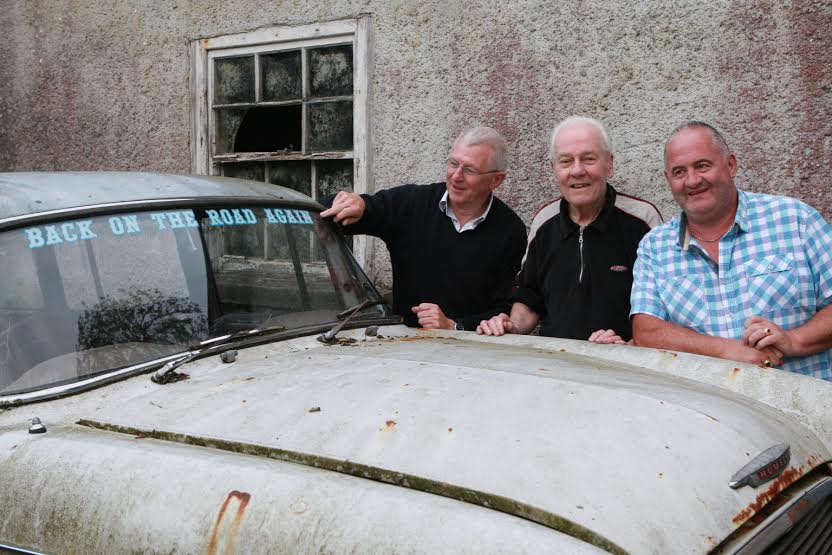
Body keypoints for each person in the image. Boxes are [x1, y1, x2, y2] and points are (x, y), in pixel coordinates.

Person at [630, 121, 832, 380]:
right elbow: (647, 332)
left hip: (807, 409)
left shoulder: (795, 219)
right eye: (679, 172)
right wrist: (727, 351)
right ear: (667, 179)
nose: (692, 180)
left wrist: (795, 340)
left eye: (702, 165)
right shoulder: (654, 247)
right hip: (714, 416)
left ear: (731, 165)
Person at [320, 126, 527, 330]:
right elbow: (332, 211)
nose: (456, 176)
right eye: (453, 163)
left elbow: (504, 310)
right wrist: (354, 204)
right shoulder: (412, 204)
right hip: (402, 343)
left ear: (496, 179)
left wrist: (454, 326)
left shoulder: (509, 230)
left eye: (470, 169)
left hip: (470, 352)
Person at [476, 116, 662, 342]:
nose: (577, 170)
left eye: (588, 159)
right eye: (565, 161)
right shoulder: (544, 222)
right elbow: (530, 299)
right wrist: (509, 326)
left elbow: (666, 308)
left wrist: (631, 346)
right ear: (554, 169)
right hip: (555, 366)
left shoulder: (643, 220)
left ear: (609, 164)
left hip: (624, 369)